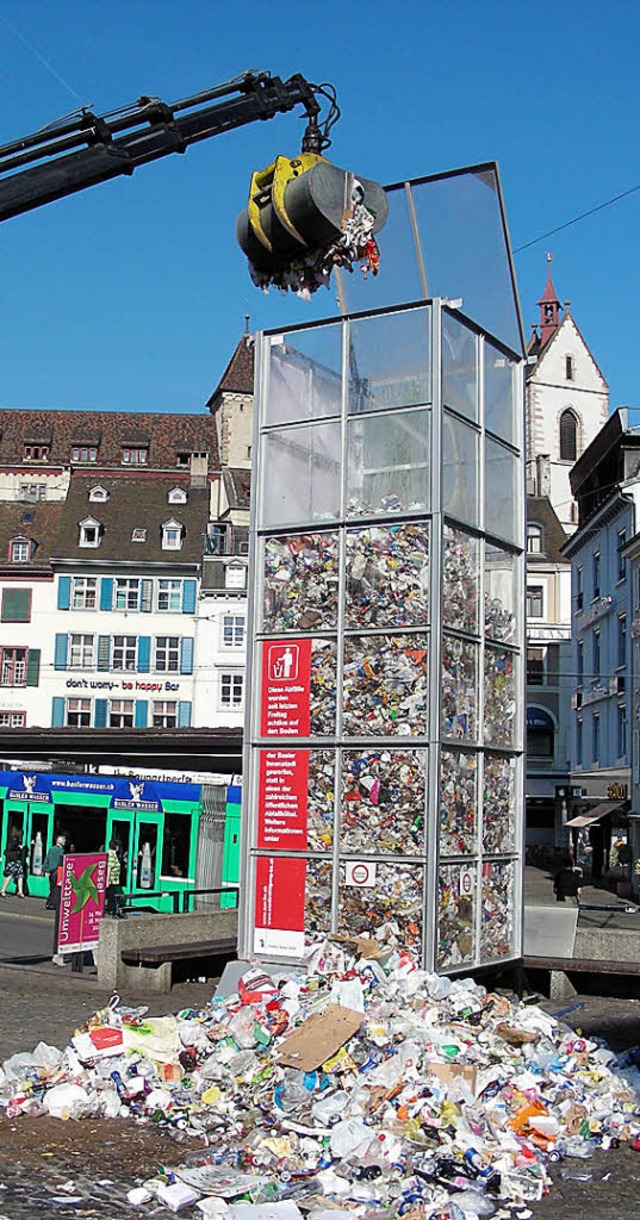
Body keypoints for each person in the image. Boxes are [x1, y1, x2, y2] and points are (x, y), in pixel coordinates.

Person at [43, 834, 66, 910]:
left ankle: (49, 903)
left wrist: (46, 869)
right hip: (57, 871)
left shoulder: (51, 849)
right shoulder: (61, 851)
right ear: (61, 842)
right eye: (64, 840)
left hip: (51, 871)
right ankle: (53, 904)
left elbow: (47, 859)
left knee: (52, 888)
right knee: (56, 889)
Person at [0, 832, 26, 898]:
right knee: (11, 875)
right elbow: (7, 851)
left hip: (17, 861)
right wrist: (19, 849)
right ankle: (2, 890)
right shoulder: (15, 842)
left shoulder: (15, 842)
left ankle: (20, 892)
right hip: (14, 861)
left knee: (20, 875)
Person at [105, 839, 125, 919]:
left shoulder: (114, 854)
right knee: (112, 896)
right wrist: (108, 880)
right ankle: (112, 911)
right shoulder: (111, 855)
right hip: (111, 880)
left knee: (112, 895)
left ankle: (112, 910)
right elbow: (109, 868)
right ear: (116, 846)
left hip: (114, 879)